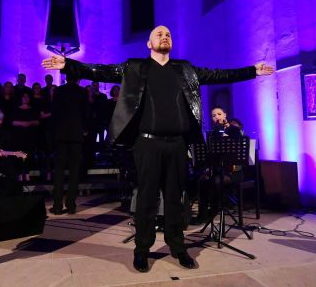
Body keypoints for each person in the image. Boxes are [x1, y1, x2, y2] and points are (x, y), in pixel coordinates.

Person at [42, 25, 274, 272]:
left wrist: (252, 71)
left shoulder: (185, 70)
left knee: (176, 199)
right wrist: (68, 65)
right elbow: (102, 71)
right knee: (146, 199)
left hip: (177, 144)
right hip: (147, 143)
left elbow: (219, 75)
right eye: (159, 34)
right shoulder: (135, 67)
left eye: (168, 34)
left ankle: (178, 247)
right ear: (149, 44)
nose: (165, 36)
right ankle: (142, 250)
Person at [191, 107, 245, 225]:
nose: (217, 117)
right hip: (219, 170)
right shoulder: (214, 133)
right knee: (203, 180)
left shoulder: (234, 129)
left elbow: (239, 142)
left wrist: (227, 131)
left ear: (225, 115)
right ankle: (203, 214)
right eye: (214, 115)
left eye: (219, 114)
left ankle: (215, 210)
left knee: (216, 181)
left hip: (234, 172)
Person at [50, 74, 88, 215]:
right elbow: (86, 113)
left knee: (59, 172)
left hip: (61, 135)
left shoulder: (59, 91)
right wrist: (84, 129)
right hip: (76, 135)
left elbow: (54, 112)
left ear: (66, 77)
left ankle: (57, 206)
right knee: (74, 171)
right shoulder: (83, 92)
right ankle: (71, 206)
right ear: (78, 77)